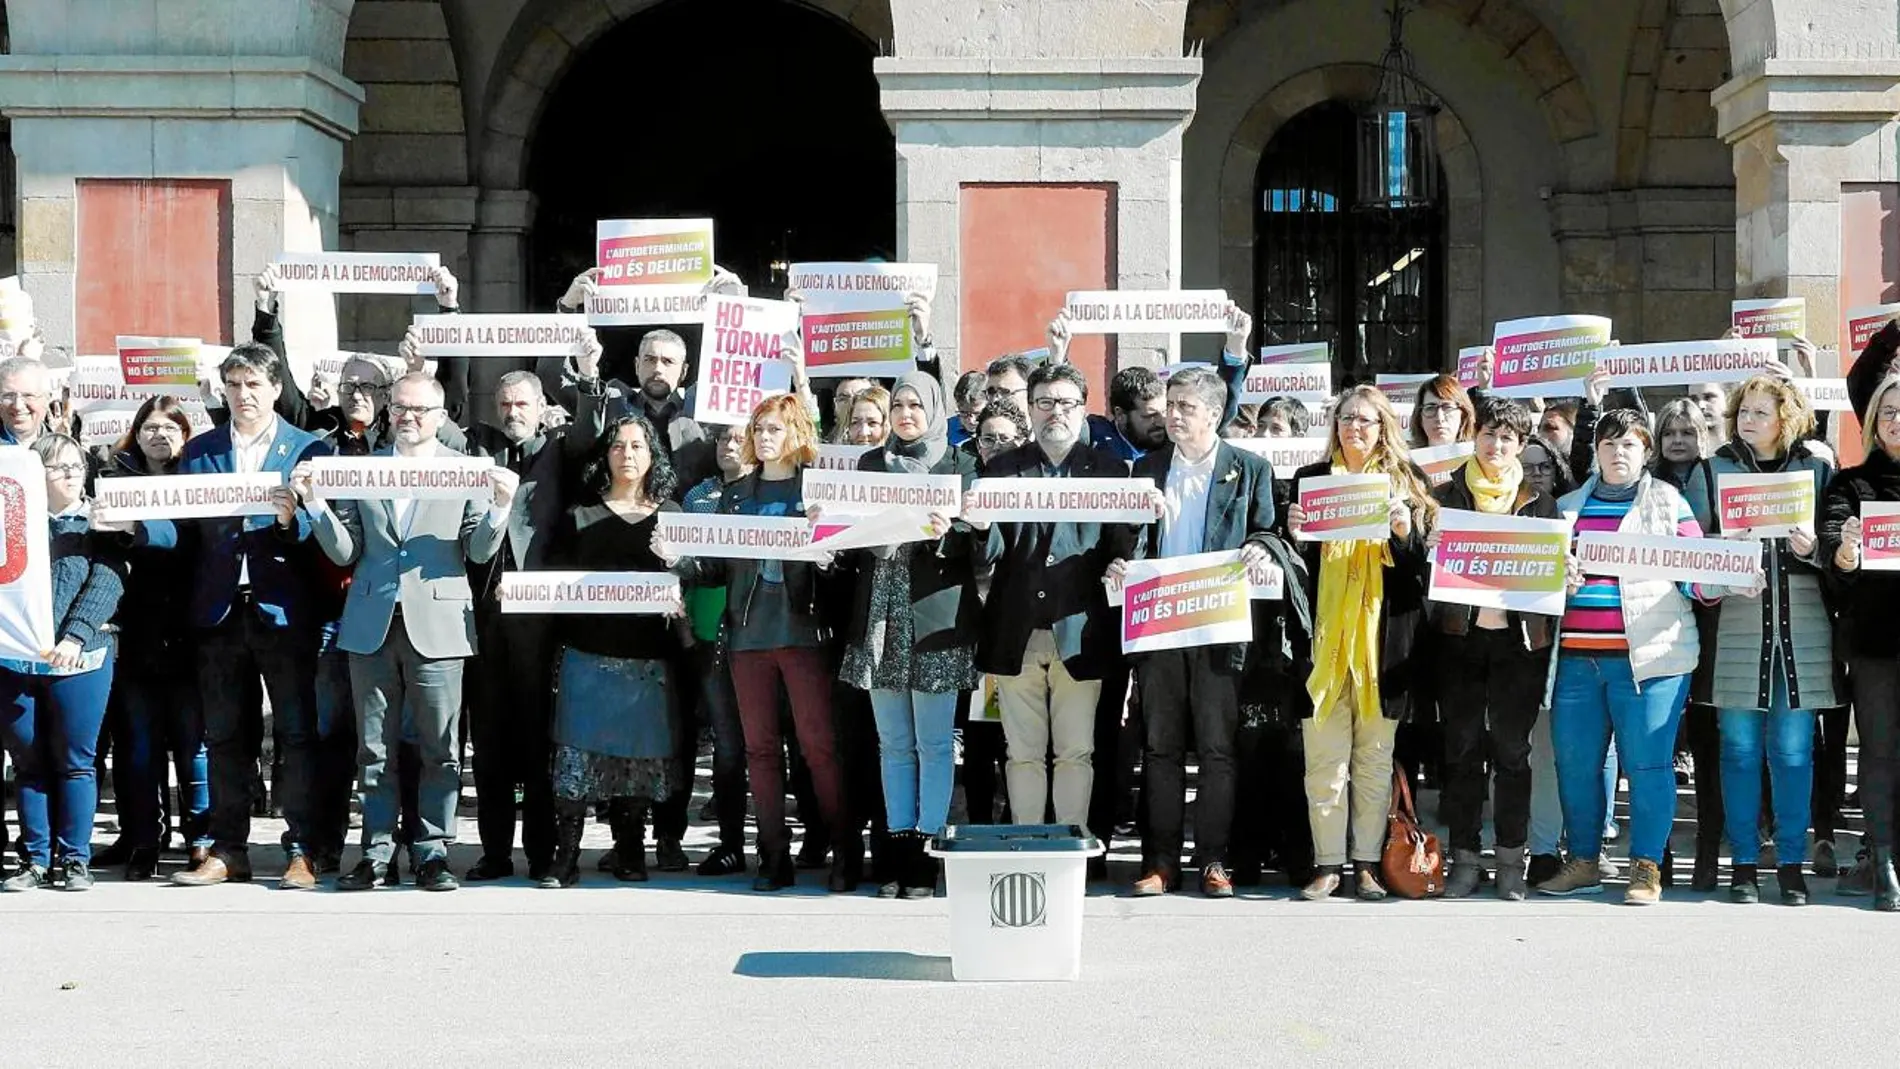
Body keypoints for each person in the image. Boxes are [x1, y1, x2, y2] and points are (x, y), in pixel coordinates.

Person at [297, 374, 511, 892]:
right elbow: (346, 551)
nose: (408, 417)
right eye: (399, 408)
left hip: (438, 624)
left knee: (441, 748)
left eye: (419, 409)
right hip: (371, 623)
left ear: (441, 417)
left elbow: (479, 551)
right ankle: (375, 853)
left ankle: (433, 851)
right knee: (374, 749)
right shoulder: (363, 471)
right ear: (388, 413)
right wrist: (315, 505)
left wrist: (501, 506)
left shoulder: (464, 472)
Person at [1536, 410, 1740, 904]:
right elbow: (1536, 586)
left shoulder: (1669, 503)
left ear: (1645, 452)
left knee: (1648, 765)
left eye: (1629, 444)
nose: (1618, 452)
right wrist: (1553, 580)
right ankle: (1584, 860)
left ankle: (1646, 866)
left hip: (1651, 660)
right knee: (1577, 765)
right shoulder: (1564, 509)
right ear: (1596, 452)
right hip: (1577, 663)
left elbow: (1696, 576)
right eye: (1609, 444)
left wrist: (1730, 574)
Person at [657, 395, 857, 893]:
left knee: (817, 749)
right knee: (759, 750)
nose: (764, 437)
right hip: (746, 638)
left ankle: (845, 852)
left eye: (774, 428)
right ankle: (773, 857)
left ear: (795, 433)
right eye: (758, 428)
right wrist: (677, 558)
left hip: (803, 635)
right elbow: (716, 567)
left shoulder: (814, 492)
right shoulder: (737, 494)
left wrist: (828, 555)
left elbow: (842, 570)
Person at [149, 344, 331, 890]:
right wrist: (134, 526)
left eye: (254, 385)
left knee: (297, 735)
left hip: (285, 611)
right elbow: (179, 533)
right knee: (224, 736)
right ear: (222, 392)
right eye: (234, 386)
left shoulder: (310, 449)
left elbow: (324, 537)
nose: (244, 395)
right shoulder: (201, 451)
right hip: (218, 613)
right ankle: (228, 849)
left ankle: (302, 849)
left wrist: (287, 521)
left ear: (276, 389)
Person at [1114, 367, 1277, 897]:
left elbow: (1269, 530)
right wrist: (1121, 562)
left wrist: (1260, 547)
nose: (1172, 415)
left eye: (1185, 406)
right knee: (1160, 748)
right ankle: (1159, 861)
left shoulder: (1248, 469)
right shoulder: (1145, 469)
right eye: (1170, 405)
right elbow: (1127, 543)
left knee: (1216, 748)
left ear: (1213, 412)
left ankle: (1213, 859)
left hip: (1217, 625)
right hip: (1158, 624)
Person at [966, 363, 1133, 839]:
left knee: (1076, 751)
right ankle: (1026, 843)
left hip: (1080, 633)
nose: (1054, 412)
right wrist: (980, 529)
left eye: (1065, 403)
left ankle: (1069, 847)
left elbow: (1121, 547)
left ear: (1083, 411)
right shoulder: (1003, 468)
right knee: (1021, 752)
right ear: (1031, 409)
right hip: (1016, 631)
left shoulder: (1108, 472)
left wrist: (1131, 546)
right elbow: (992, 551)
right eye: (1044, 402)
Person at [461, 346, 609, 883]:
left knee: (538, 739)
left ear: (542, 406)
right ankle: (494, 852)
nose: (512, 412)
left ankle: (544, 854)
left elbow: (594, 433)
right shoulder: (480, 446)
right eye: (504, 403)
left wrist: (590, 376)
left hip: (541, 622)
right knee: (490, 742)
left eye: (522, 403)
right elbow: (440, 410)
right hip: (483, 616)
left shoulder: (562, 451)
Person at [1284, 385, 1433, 901]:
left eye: (1366, 420)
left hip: (1382, 649)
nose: (1355, 428)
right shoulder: (1310, 481)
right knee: (1325, 763)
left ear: (1384, 427)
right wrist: (1296, 538)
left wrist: (1402, 532)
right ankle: (1328, 864)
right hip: (1323, 646)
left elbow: (1419, 579)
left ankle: (1367, 864)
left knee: (1373, 762)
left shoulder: (1408, 483)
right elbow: (1292, 571)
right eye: (1346, 418)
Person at [838, 372, 979, 899]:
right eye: (898, 404)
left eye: (917, 405)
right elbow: (852, 534)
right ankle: (895, 856)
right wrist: (830, 524)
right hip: (880, 617)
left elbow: (981, 545)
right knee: (893, 744)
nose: (906, 414)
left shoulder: (960, 465)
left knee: (935, 744)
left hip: (936, 620)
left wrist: (950, 533)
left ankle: (927, 855)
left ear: (936, 409)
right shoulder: (871, 465)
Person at [538, 414, 685, 888]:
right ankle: (566, 856)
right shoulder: (578, 516)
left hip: (647, 661)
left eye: (638, 446)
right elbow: (553, 584)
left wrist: (680, 573)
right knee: (576, 761)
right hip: (587, 656)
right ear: (605, 454)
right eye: (619, 446)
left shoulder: (673, 515)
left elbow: (698, 574)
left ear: (653, 455)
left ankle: (630, 852)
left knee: (637, 761)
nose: (627, 455)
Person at [1423, 397, 1559, 900]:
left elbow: (1552, 574)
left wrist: (1565, 573)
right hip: (1459, 640)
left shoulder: (1542, 505)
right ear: (1473, 436)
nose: (1496, 445)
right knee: (1460, 751)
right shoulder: (1444, 497)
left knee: (1512, 752)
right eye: (1488, 434)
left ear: (1521, 447)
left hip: (1520, 644)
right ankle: (1463, 859)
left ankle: (1508, 861)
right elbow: (1423, 569)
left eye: (1507, 438)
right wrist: (1429, 547)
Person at [1706, 375, 1834, 906]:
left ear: (1787, 416)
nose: (1749, 421)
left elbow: (1841, 551)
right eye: (1744, 412)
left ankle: (1789, 862)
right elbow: (1689, 545)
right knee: (1737, 750)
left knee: (1793, 750)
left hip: (1802, 628)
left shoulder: (1816, 467)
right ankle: (1743, 863)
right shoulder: (1716, 468)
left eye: (1762, 412)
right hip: (1739, 624)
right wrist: (1723, 553)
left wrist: (1814, 550)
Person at [0, 434, 127, 891]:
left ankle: (75, 859)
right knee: (29, 762)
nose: (72, 474)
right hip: (16, 660)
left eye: (77, 465)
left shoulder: (100, 520)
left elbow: (107, 581)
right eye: (58, 467)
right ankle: (34, 859)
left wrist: (75, 634)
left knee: (76, 761)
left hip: (83, 657)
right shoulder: (12, 526)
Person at [93, 397, 211, 880]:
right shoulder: (114, 482)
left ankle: (202, 840)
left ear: (185, 434)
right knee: (137, 744)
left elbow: (193, 541)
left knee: (192, 743)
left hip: (192, 632)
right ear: (135, 433)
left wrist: (139, 529)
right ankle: (141, 839)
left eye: (169, 427)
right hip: (135, 633)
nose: (159, 435)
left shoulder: (203, 482)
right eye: (149, 426)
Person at [1822, 371, 1900, 910]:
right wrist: (1846, 552)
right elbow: (1832, 555)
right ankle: (1884, 859)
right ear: (1873, 421)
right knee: (1879, 753)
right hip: (1877, 643)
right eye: (1889, 410)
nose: (1898, 420)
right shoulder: (1851, 485)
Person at [1650, 396, 1724, 891]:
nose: (1678, 440)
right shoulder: (1644, 483)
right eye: (1670, 432)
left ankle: (1707, 854)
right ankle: (1657, 853)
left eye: (1688, 432)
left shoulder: (1719, 480)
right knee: (1655, 750)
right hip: (1657, 628)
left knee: (1709, 745)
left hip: (1713, 626)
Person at [679, 424, 753, 876]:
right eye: (723, 438)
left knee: (769, 745)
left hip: (763, 631)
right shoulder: (697, 498)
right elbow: (685, 570)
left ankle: (778, 840)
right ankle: (729, 843)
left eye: (738, 438)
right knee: (727, 745)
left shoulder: (772, 495)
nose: (729, 445)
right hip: (710, 635)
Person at [0, 355, 53, 447]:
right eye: (8, 396)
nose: (18, 406)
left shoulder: (64, 452)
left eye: (28, 396)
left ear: (47, 398)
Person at [1409, 374, 1475, 448]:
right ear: (1420, 417)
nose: (1440, 418)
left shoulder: (1480, 459)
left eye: (1447, 407)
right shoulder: (1407, 458)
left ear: (1463, 415)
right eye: (1430, 408)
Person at [948, 370, 987, 447]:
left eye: (977, 414)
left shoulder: (1001, 431)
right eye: (964, 413)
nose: (971, 420)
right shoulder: (945, 430)